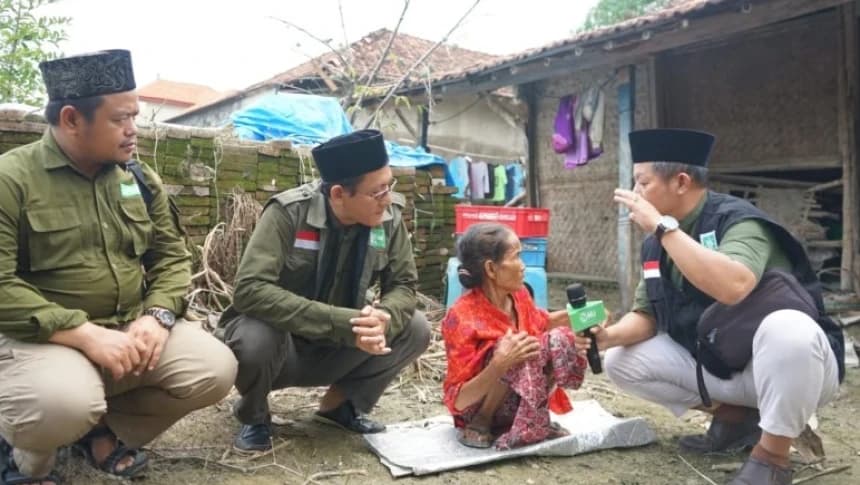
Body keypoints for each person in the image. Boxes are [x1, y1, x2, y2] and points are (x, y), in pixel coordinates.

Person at [0, 49, 238, 485]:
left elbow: (171, 257)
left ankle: (99, 431)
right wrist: (83, 333)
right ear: (72, 119)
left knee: (214, 368)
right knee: (60, 403)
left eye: (135, 116)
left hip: (127, 327)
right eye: (120, 119)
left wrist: (157, 316)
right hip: (44, 340)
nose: (133, 130)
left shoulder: (138, 180)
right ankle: (24, 458)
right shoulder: (11, 180)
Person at [586, 129, 844, 485]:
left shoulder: (738, 222)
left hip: (795, 369)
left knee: (788, 329)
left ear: (681, 182)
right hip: (723, 363)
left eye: (643, 183)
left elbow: (733, 287)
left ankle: (772, 457)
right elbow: (648, 314)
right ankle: (736, 418)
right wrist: (606, 337)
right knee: (621, 360)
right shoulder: (656, 245)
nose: (636, 193)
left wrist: (662, 228)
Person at [220, 129, 431, 452]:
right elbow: (250, 289)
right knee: (255, 336)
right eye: (377, 192)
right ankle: (255, 413)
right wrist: (343, 322)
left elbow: (403, 284)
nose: (387, 199)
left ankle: (341, 407)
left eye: (389, 186)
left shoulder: (388, 218)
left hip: (342, 346)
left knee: (415, 327)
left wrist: (384, 316)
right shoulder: (289, 213)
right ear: (338, 194)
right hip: (284, 346)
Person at [442, 223, 588, 450]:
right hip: (477, 406)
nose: (523, 266)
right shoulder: (461, 316)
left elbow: (542, 322)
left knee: (559, 338)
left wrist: (585, 316)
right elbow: (458, 400)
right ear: (491, 269)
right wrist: (499, 364)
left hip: (521, 395)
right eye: (517, 257)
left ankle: (534, 418)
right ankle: (482, 422)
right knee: (512, 345)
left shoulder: (519, 295)